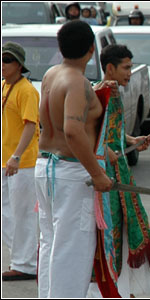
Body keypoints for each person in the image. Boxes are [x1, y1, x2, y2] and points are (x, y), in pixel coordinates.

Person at [35, 20, 114, 298]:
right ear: (92, 49)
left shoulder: (50, 74)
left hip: (45, 167)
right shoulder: (77, 82)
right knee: (71, 247)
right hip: (70, 172)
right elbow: (72, 130)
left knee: (50, 242)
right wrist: (97, 174)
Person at [86, 44, 150, 298]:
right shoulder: (100, 92)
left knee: (125, 229)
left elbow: (112, 129)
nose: (130, 72)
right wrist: (107, 152)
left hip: (120, 171)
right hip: (104, 175)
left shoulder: (114, 91)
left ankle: (123, 287)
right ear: (110, 68)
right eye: (126, 68)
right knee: (109, 231)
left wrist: (130, 140)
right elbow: (90, 134)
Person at [1, 42, 39, 281]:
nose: (3, 65)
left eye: (7, 60)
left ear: (19, 65)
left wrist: (16, 155)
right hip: (6, 161)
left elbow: (31, 125)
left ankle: (26, 264)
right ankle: (21, 257)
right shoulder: (5, 86)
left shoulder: (27, 90)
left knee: (23, 213)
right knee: (7, 213)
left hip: (22, 162)